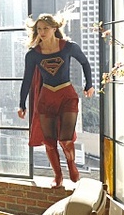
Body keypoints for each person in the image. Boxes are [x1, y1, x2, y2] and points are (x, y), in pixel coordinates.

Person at [17, 13, 94, 188]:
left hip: (67, 95)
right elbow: (27, 80)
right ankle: (58, 175)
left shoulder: (68, 47)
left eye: (45, 28)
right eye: (39, 29)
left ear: (54, 28)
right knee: (49, 142)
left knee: (66, 139)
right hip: (46, 98)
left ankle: (71, 165)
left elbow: (85, 62)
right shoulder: (33, 54)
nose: (42, 32)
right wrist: (22, 104)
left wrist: (89, 84)